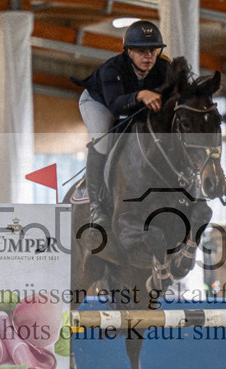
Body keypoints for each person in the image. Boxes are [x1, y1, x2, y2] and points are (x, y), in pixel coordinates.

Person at [73, 20, 171, 231]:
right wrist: (141, 94)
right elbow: (116, 107)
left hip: (135, 103)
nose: (148, 56)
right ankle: (95, 206)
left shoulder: (164, 67)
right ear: (128, 51)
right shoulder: (112, 69)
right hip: (99, 103)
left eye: (153, 50)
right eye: (141, 51)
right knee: (104, 141)